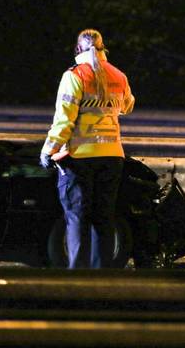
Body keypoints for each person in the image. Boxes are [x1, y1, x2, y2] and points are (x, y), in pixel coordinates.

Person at [40, 28, 135, 268]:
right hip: (112, 157)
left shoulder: (74, 76)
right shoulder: (119, 76)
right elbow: (127, 106)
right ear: (104, 49)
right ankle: (101, 278)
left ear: (77, 50)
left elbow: (64, 120)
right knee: (103, 219)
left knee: (77, 218)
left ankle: (78, 277)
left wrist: (49, 150)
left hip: (79, 158)